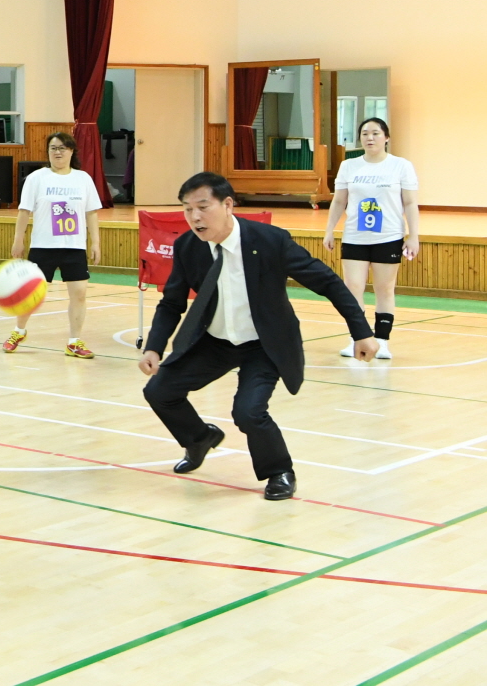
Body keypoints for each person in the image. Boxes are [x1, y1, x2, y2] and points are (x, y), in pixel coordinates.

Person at [139, 173, 377, 501]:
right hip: (214, 340)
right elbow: (172, 303)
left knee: (248, 412)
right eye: (187, 209)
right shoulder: (187, 246)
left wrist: (361, 332)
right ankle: (198, 438)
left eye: (203, 207)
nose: (194, 217)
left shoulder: (269, 241)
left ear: (227, 205)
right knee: (159, 391)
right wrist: (154, 346)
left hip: (262, 344)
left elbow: (328, 282)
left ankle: (279, 471)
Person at [322, 117, 419, 360]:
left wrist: (413, 236)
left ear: (386, 138)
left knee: (384, 288)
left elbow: (409, 202)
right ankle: (357, 338)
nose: (370, 138)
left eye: (375, 133)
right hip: (355, 236)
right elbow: (339, 200)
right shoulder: (349, 166)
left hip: (388, 236)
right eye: (365, 133)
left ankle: (382, 341)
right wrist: (329, 230)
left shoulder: (401, 166)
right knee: (352, 287)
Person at [5, 130, 104, 358]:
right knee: (32, 294)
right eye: (53, 148)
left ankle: (74, 341)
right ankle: (19, 331)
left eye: (62, 148)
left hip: (74, 246)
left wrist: (95, 242)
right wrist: (18, 240)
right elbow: (24, 211)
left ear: (71, 151)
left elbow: (91, 213)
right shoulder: (37, 178)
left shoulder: (83, 179)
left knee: (79, 293)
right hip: (43, 246)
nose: (57, 152)